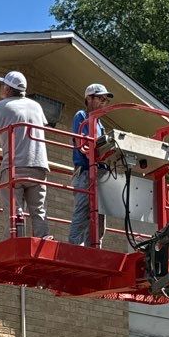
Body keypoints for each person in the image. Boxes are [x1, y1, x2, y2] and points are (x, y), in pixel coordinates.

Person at [0, 70, 51, 239]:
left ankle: (15, 241)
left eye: (2, 85)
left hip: (15, 166)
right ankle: (43, 239)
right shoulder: (36, 106)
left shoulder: (0, 106)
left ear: (7, 89)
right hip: (39, 166)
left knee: (14, 209)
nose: (0, 88)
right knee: (38, 209)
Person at [67, 81, 110, 244]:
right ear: (89, 99)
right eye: (100, 98)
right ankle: (74, 248)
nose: (103, 103)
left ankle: (93, 250)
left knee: (99, 218)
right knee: (83, 212)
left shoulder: (100, 124)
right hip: (85, 171)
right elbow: (84, 144)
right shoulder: (82, 116)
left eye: (105, 100)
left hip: (98, 174)